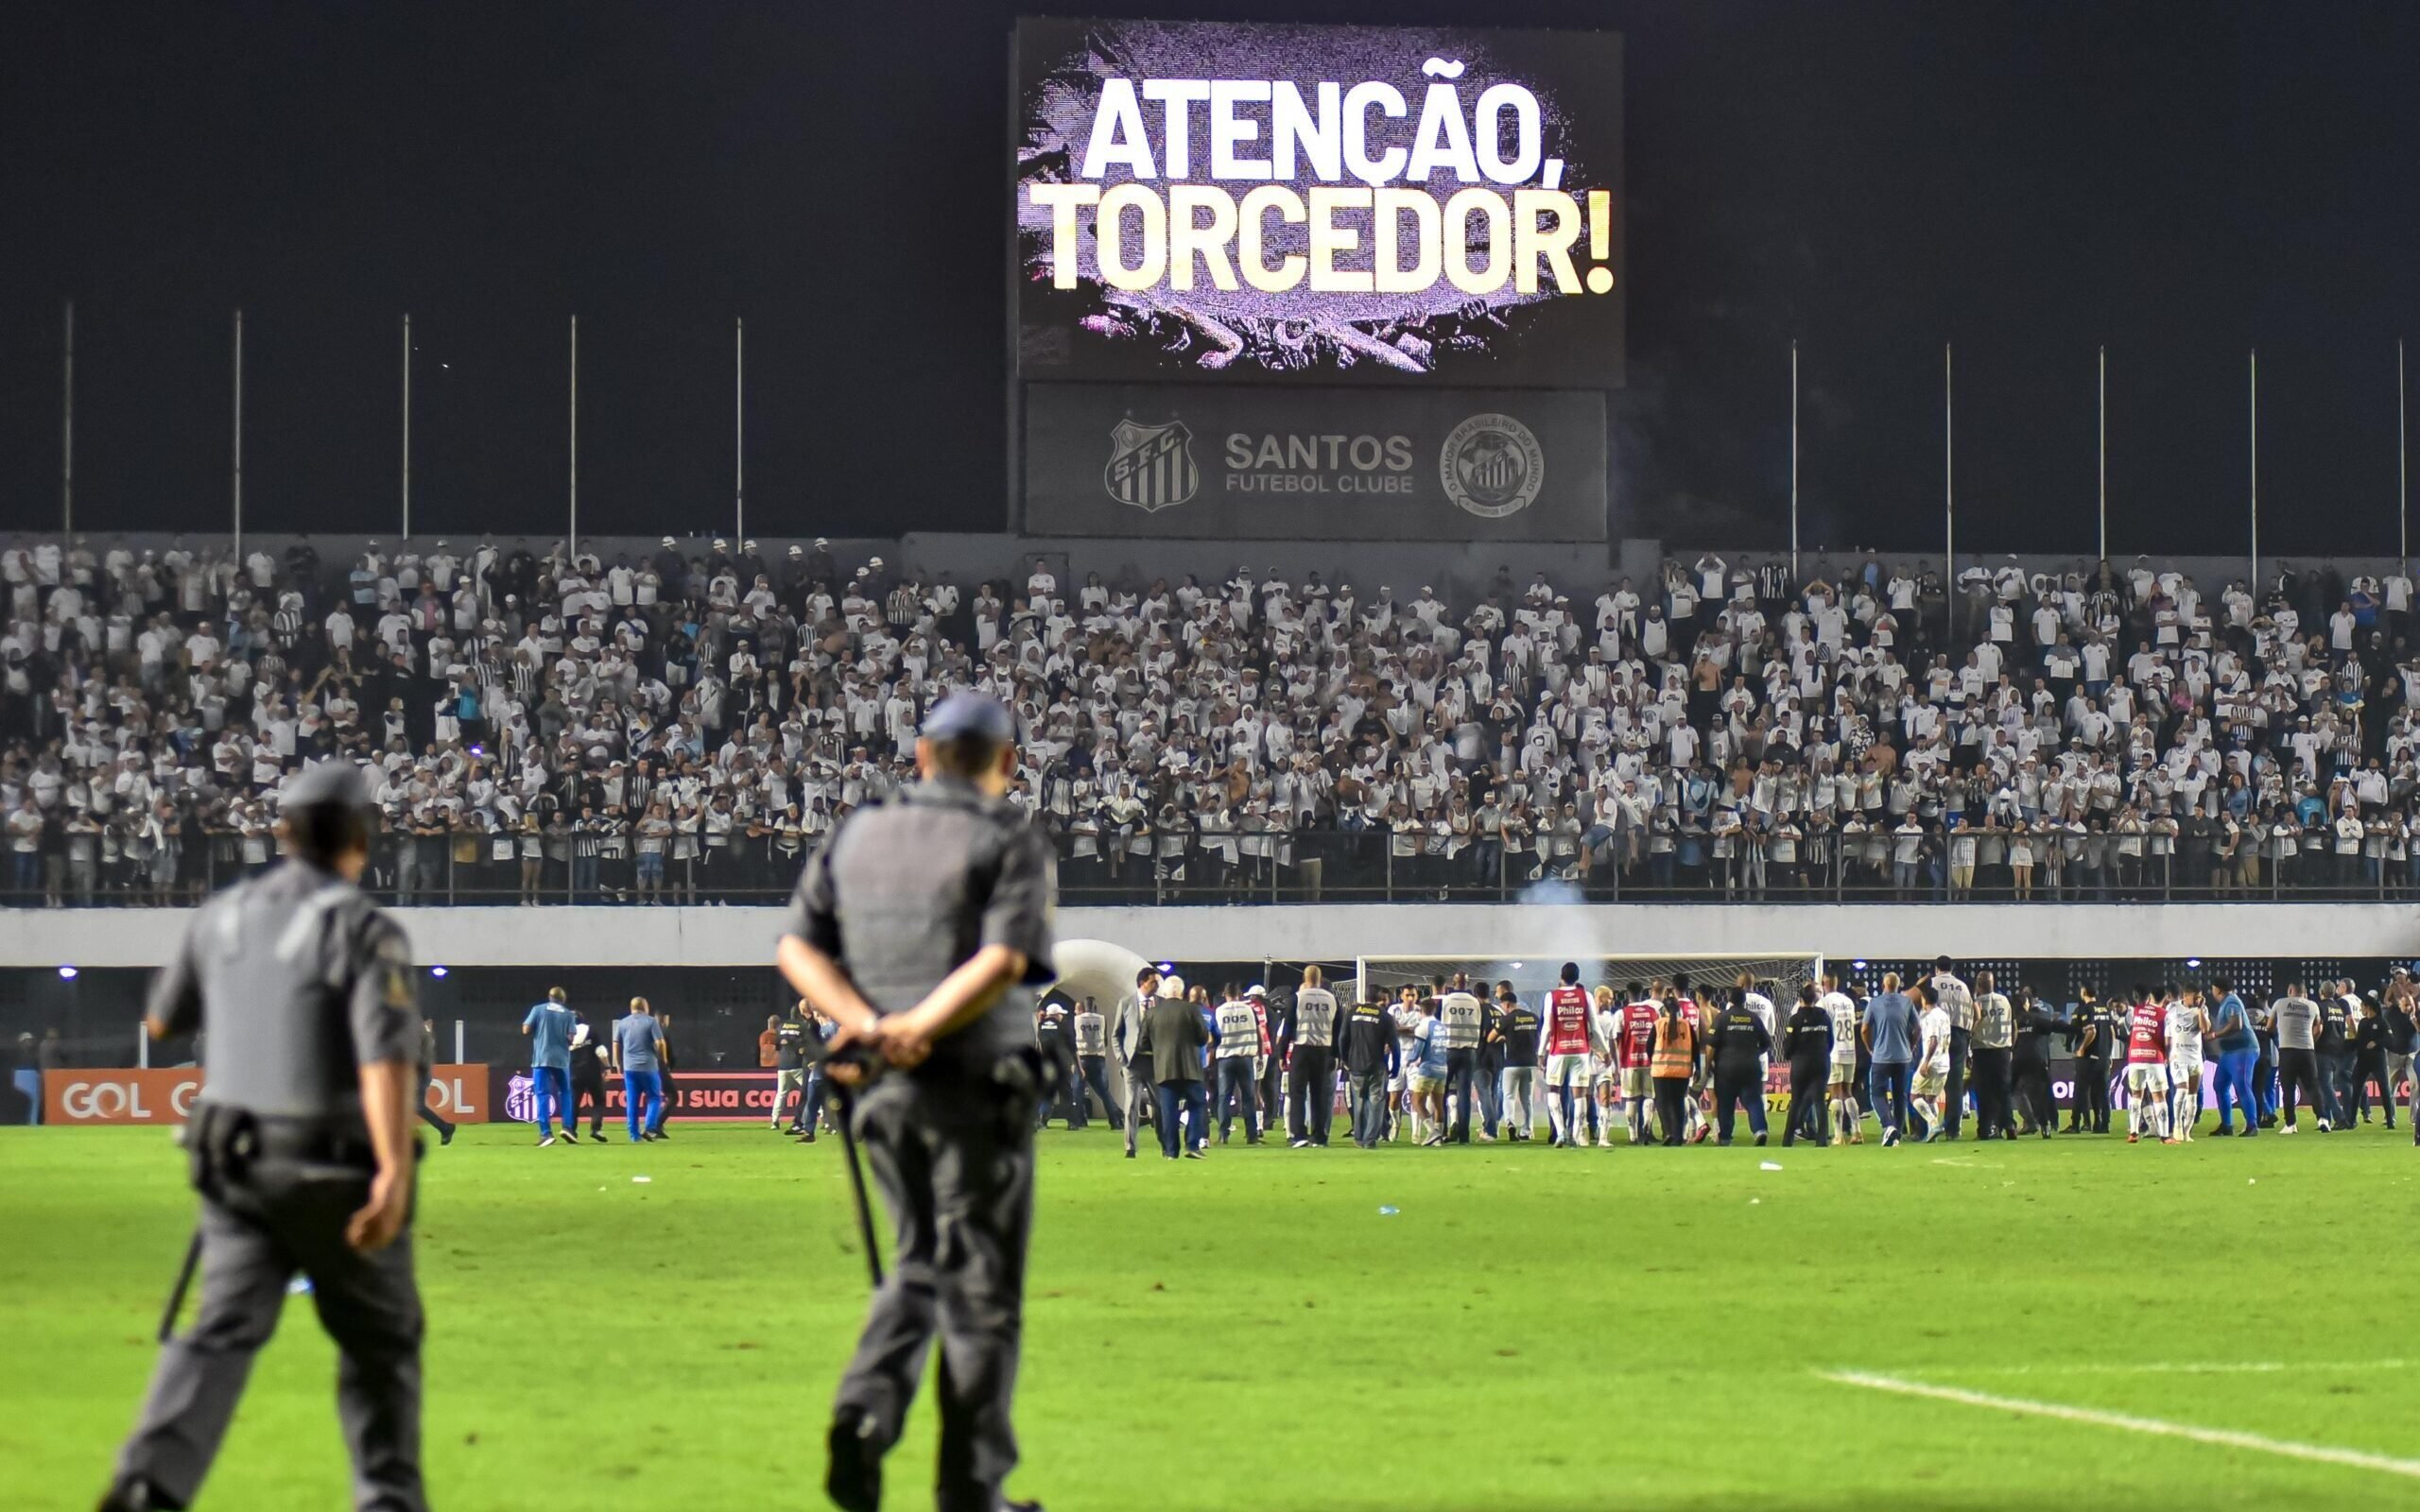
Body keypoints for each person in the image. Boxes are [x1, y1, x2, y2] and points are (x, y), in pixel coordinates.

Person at [98, 761, 429, 1512]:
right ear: (359, 837)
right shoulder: (361, 925)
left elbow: (160, 1020)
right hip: (334, 1165)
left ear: (281, 834)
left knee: (218, 1333)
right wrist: (393, 1174)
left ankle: (147, 1487)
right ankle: (386, 1500)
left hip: (233, 1164)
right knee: (380, 1342)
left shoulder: (221, 914)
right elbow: (385, 1059)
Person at [773, 690, 1056, 1512]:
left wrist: (869, 1025)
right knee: (981, 1291)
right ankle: (972, 1489)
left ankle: (863, 1413)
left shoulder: (855, 832)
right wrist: (921, 1028)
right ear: (1006, 763)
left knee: (914, 1267)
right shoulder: (1007, 835)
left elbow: (796, 946)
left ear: (922, 755)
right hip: (974, 1086)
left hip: (879, 1090)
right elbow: (1004, 959)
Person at [1136, 977, 1212, 1159]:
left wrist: (1159, 1050)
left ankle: (1171, 1151)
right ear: (1182, 992)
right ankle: (1192, 1144)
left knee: (1168, 1111)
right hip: (1190, 1068)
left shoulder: (1152, 1013)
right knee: (1198, 1104)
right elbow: (1203, 1038)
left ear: (1164, 992)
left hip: (1164, 1069)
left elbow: (1142, 1043)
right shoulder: (1192, 1010)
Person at [1707, 987, 1774, 1145]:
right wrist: (1754, 1053)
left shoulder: (1722, 1018)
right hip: (1751, 1066)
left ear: (1729, 1000)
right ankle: (1760, 1130)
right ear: (1744, 1001)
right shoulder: (1753, 1018)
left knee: (1726, 1103)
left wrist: (1708, 1064)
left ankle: (1725, 1137)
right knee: (1753, 1101)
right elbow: (1767, 1043)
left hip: (1726, 1067)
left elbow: (1711, 1045)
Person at [1861, 972, 1921, 1147]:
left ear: (1883, 985)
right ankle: (1897, 1133)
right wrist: (1910, 1045)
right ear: (1898, 985)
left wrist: (1869, 1047)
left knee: (1877, 1094)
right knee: (1900, 1095)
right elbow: (1917, 1028)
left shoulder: (1874, 1003)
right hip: (1903, 1057)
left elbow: (1864, 1029)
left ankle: (1888, 1125)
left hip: (1881, 1056)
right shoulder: (1907, 1002)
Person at [1541, 964, 1595, 1148]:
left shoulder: (1552, 996)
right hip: (1581, 1051)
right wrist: (1605, 1051)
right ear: (1577, 977)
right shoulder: (1586, 996)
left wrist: (1541, 1052)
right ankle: (1574, 1135)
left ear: (1561, 976)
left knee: (1554, 1089)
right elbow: (1593, 1027)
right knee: (1579, 1094)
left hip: (1558, 1051)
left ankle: (1561, 1131)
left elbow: (1547, 1028)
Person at [1285, 966, 1339, 1148]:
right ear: (1320, 978)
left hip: (1302, 1049)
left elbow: (1287, 1028)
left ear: (1304, 978)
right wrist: (1336, 1055)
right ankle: (1320, 1136)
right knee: (1320, 1095)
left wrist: (1282, 1054)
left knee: (1297, 1093)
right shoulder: (1332, 999)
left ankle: (1299, 1135)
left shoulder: (1298, 998)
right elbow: (1337, 1030)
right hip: (1324, 1051)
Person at [1111, 968, 1162, 1160]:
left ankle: (1165, 1142)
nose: (1156, 986)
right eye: (1153, 982)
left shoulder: (1161, 1003)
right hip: (1133, 1063)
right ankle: (1130, 1147)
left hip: (1155, 1062)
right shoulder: (1126, 1003)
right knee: (1131, 1105)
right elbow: (1116, 1034)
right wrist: (1121, 1059)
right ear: (1142, 982)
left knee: (1160, 1106)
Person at [521, 986, 579, 1146]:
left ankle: (546, 1133)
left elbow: (526, 1029)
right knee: (565, 1093)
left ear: (550, 997)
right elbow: (571, 1037)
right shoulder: (568, 1014)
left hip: (541, 1058)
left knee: (542, 1094)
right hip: (561, 1059)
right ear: (563, 999)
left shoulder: (538, 1009)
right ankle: (567, 1127)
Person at [1339, 994, 1398, 1149]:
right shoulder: (1385, 1016)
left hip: (1356, 1065)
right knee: (1376, 1102)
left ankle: (1359, 1137)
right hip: (1376, 1065)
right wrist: (1396, 1066)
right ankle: (1370, 1139)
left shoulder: (1352, 1012)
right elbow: (1394, 1044)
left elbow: (1343, 1037)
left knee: (1359, 1102)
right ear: (1381, 999)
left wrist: (1345, 1059)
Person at [1927, 956, 1975, 1139]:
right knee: (1955, 1085)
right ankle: (1953, 1130)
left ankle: (1926, 1127)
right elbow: (1971, 1012)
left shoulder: (1932, 983)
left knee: (1927, 1080)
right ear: (1952, 968)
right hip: (1960, 1035)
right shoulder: (1963, 987)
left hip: (1938, 1034)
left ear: (1937, 968)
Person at [1210, 985, 1264, 1144]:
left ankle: (1223, 1134)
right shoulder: (1249, 1010)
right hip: (1245, 1058)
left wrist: (1211, 1058)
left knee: (1224, 1097)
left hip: (1225, 1058)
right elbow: (1258, 1033)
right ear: (1240, 994)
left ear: (1224, 994)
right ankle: (1252, 1135)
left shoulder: (1219, 1011)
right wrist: (1260, 1055)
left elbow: (1213, 1035)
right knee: (1249, 1097)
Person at [2206, 977, 2260, 1138]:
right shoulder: (2227, 1003)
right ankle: (2226, 1125)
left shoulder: (2231, 1002)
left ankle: (2252, 1125)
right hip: (2229, 1052)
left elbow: (2236, 1025)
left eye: (2213, 988)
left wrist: (2215, 1034)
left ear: (2218, 990)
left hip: (2242, 1050)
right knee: (2219, 1085)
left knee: (2242, 1086)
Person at [1780, 985, 1832, 1148]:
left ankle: (1787, 1140)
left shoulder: (1795, 1019)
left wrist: (1789, 1056)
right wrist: (1824, 1053)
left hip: (1801, 1064)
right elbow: (1830, 1040)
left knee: (1796, 1102)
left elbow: (1789, 1044)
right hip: (1821, 1062)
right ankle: (1821, 1140)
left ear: (1800, 999)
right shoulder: (1824, 1016)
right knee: (1819, 1102)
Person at [2121, 985, 2173, 1145]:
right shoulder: (2164, 1015)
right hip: (2153, 1059)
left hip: (2135, 1058)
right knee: (2159, 1097)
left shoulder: (2137, 1011)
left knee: (2136, 1095)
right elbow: (2168, 1041)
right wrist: (2167, 1057)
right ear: (2165, 999)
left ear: (2151, 997)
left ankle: (2133, 1133)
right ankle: (2164, 1136)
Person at [1438, 973, 1485, 1143]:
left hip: (1449, 1050)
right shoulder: (1474, 1002)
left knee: (1441, 1092)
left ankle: (1441, 1131)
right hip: (1468, 1051)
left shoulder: (1446, 1001)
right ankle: (1464, 1136)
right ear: (1468, 983)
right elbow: (1479, 1024)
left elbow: (1439, 1024)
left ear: (1453, 982)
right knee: (1464, 1093)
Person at [1967, 972, 2014, 1141]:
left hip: (1982, 1050)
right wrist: (2011, 1047)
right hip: (2003, 1050)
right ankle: (2009, 1125)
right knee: (2004, 1090)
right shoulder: (2004, 1001)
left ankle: (1985, 1129)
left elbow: (1972, 1027)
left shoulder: (1977, 1003)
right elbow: (2012, 1024)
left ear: (1979, 985)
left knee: (1984, 1092)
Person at [1649, 990, 1699, 1147]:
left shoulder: (1658, 1025)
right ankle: (1677, 1136)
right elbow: (1695, 1049)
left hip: (1661, 1070)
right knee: (1677, 1103)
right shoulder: (1686, 1025)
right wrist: (1698, 1068)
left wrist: (1654, 1060)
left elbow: (1649, 1047)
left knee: (1662, 1102)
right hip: (1682, 1071)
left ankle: (1667, 1132)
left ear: (1664, 1010)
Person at [614, 997, 666, 1143]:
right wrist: (662, 1059)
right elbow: (660, 1043)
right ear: (645, 1007)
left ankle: (634, 1135)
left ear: (631, 1007)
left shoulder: (623, 1023)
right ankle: (649, 1127)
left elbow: (616, 1044)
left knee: (632, 1101)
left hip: (629, 1068)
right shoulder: (651, 1021)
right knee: (655, 1098)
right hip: (648, 1067)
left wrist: (618, 1063)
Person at [2011, 987, 2062, 1138]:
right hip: (2039, 1056)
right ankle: (2048, 1124)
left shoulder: (2016, 1019)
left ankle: (2025, 1123)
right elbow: (2050, 1029)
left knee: (2015, 1090)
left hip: (2020, 1059)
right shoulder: (2041, 1014)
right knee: (2041, 1092)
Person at [1493, 981, 1540, 1143]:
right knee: (1527, 1100)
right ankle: (1527, 1130)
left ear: (1506, 1004)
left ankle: (1510, 1124)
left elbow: (1490, 1037)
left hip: (1512, 1063)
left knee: (1509, 1096)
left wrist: (1503, 1037)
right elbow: (1541, 1036)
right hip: (1531, 1063)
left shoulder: (1507, 1019)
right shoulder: (1533, 1017)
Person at [2273, 982, 2322, 1133]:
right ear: (2304, 991)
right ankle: (2323, 1119)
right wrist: (2312, 1040)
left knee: (2288, 1088)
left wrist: (2280, 1035)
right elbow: (2319, 1027)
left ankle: (2290, 1124)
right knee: (2313, 1086)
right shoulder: (2313, 1005)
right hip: (2307, 1050)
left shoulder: (2280, 1003)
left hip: (2287, 1050)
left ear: (2290, 990)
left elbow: (2269, 1026)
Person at [1819, 973, 1862, 1145]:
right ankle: (1857, 1131)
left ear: (1824, 984)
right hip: (1850, 1051)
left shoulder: (1824, 1002)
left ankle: (1838, 1135)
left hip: (1834, 1052)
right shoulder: (1848, 1001)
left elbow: (1825, 1028)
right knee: (1848, 1092)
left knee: (1835, 1093)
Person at [1615, 984, 1660, 1145]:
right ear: (1643, 993)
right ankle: (1647, 1127)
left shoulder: (1622, 1013)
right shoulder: (1653, 1012)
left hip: (1629, 1062)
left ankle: (1633, 1136)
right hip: (1650, 1062)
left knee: (1631, 1098)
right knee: (1649, 1096)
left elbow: (1616, 1040)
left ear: (1627, 994)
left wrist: (1616, 1065)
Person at [2165, 986, 2210, 1142]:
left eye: (2200, 997)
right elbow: (2168, 1032)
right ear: (2185, 996)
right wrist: (2166, 1052)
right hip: (2178, 1056)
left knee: (2192, 1096)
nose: (2198, 1000)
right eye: (2195, 997)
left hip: (2195, 1057)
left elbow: (2205, 1029)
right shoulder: (2173, 1008)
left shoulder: (2201, 1010)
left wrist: (2200, 1010)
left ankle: (2186, 1132)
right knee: (2182, 1090)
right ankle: (2177, 1125)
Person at [1910, 983, 1952, 1143]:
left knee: (1915, 1097)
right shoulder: (1944, 1015)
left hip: (1933, 1061)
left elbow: (1933, 1040)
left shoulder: (1932, 1017)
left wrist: (1926, 1061)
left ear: (1924, 1000)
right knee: (1931, 1098)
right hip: (1944, 1062)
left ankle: (1933, 1124)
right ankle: (1931, 1134)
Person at [1408, 996, 1450, 1145]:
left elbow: (1417, 1051)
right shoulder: (1442, 1026)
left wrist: (1409, 1060)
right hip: (1443, 1068)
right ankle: (1438, 1139)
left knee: (1416, 1101)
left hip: (1428, 1069)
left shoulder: (1422, 1027)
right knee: (1438, 1103)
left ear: (1421, 1010)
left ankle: (1432, 1132)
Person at [1072, 995, 1114, 1132]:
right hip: (1098, 1058)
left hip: (1082, 1059)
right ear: (1094, 1006)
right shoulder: (1102, 1019)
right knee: (1104, 1092)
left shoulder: (1076, 1020)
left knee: (1077, 1092)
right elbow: (1106, 1039)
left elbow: (1073, 1041)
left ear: (1083, 1007)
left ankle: (1077, 1121)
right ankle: (1115, 1119)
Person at [568, 1009, 611, 1142]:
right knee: (599, 1100)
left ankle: (570, 1130)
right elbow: (601, 1052)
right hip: (592, 1072)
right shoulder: (591, 1031)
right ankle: (595, 1129)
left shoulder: (566, 1034)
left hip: (573, 1072)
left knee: (574, 1103)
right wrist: (608, 1067)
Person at [771, 1001, 812, 1133]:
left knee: (781, 1094)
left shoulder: (781, 1026)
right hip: (797, 1064)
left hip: (782, 1065)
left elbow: (777, 1045)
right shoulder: (802, 1026)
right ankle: (823, 1117)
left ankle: (774, 1121)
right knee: (809, 1090)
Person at [416, 1019, 455, 1146]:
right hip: (418, 1074)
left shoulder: (418, 1035)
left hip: (418, 1075)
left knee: (418, 1106)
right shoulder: (422, 1034)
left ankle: (445, 1127)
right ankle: (445, 1128)